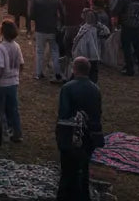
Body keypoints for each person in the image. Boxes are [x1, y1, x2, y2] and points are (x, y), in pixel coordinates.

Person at [56, 57, 103, 201]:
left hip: (71, 136)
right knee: (83, 168)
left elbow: (63, 115)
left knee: (68, 172)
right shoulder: (95, 89)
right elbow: (97, 113)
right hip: (89, 136)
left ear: (74, 69)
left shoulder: (68, 88)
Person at [0, 19, 24, 142]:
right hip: (13, 83)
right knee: (13, 109)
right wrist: (16, 76)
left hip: (2, 84)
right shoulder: (16, 46)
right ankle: (17, 133)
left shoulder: (1, 48)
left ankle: (1, 134)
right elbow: (21, 64)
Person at [29, 0, 64, 82]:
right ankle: (57, 72)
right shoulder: (56, 0)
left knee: (39, 51)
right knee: (54, 51)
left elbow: (32, 16)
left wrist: (32, 28)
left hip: (40, 29)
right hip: (53, 29)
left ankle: (39, 73)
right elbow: (62, 14)